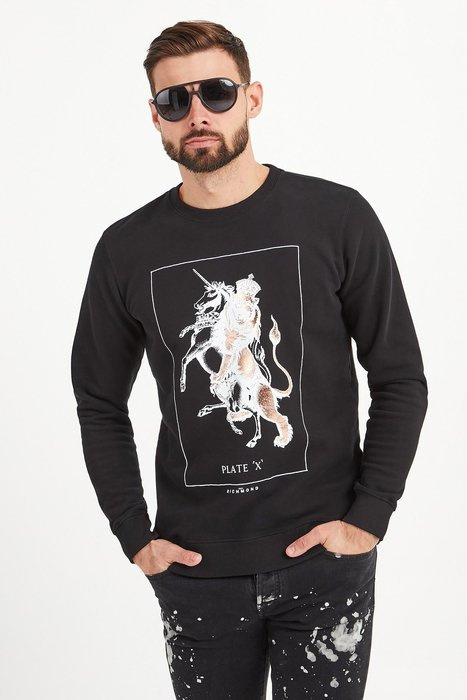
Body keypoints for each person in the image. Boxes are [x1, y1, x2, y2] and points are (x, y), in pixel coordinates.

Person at [70, 19, 428, 700]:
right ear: (155, 116)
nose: (197, 113)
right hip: (196, 573)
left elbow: (399, 376)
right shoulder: (125, 249)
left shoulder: (335, 217)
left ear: (252, 98)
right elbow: (98, 400)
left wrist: (369, 517)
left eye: (216, 92)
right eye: (174, 99)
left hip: (325, 563)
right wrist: (133, 534)